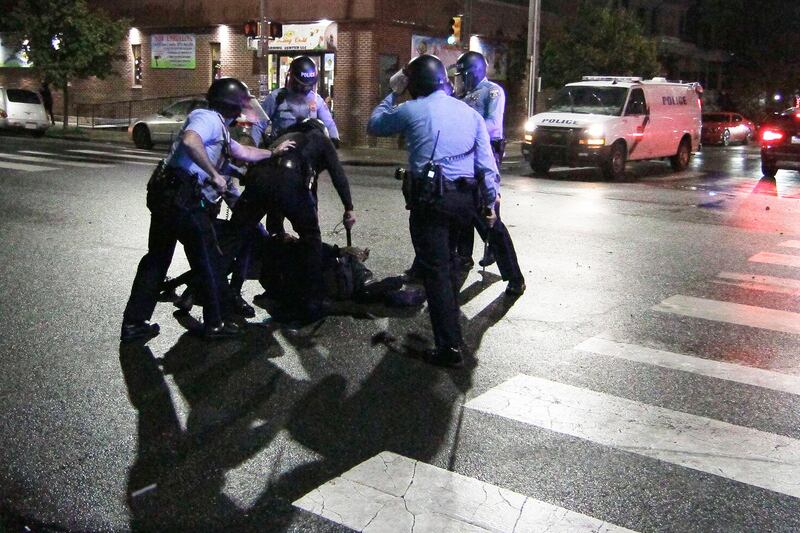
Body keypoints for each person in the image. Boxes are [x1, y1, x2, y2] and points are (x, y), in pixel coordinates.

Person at [120, 78, 294, 343]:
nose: (244, 111)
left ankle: (134, 323)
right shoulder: (206, 117)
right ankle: (215, 323)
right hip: (184, 201)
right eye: (241, 106)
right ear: (231, 106)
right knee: (210, 262)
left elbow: (243, 151)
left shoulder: (221, 129)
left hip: (168, 197)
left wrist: (273, 153)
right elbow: (191, 141)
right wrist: (214, 174)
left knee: (157, 259)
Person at [367, 54, 499, 369]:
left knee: (437, 272)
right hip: (465, 201)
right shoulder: (470, 114)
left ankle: (450, 347)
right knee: (451, 266)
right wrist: (491, 203)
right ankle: (451, 330)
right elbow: (486, 165)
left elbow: (374, 123)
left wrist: (392, 91)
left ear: (413, 86)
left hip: (432, 201)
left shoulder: (411, 109)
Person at [231, 118, 355, 325]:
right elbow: (337, 176)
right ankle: (312, 301)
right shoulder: (322, 142)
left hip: (258, 179)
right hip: (288, 180)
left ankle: (227, 292)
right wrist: (348, 208)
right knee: (312, 239)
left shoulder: (285, 137)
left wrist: (277, 229)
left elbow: (278, 189)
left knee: (239, 236)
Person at [452, 51, 525, 297]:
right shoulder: (459, 97)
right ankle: (464, 256)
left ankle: (513, 276)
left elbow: (493, 123)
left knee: (487, 214)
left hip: (485, 153)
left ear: (473, 72)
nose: (459, 80)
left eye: (462, 75)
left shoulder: (491, 91)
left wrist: (466, 124)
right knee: (462, 210)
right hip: (462, 156)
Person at [251, 56, 340, 148]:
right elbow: (258, 124)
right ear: (292, 79)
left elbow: (329, 124)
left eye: (307, 86)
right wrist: (252, 149)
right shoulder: (276, 97)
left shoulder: (317, 101)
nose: (304, 90)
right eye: (300, 86)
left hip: (308, 152)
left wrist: (334, 140)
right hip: (281, 150)